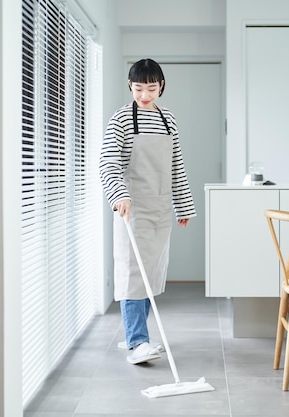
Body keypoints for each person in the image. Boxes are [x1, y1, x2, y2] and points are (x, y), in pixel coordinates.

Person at [99, 58, 196, 365]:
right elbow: (107, 162)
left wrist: (183, 204)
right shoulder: (121, 119)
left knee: (150, 274)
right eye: (138, 88)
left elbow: (176, 166)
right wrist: (119, 196)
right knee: (132, 273)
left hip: (161, 207)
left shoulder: (169, 119)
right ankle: (138, 341)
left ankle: (133, 334)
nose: (144, 95)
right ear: (130, 86)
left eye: (151, 88)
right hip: (133, 207)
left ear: (161, 86)